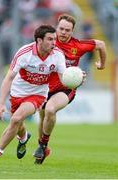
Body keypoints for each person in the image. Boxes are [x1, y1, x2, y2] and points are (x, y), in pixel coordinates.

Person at [0, 24, 66, 166]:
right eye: (50, 39)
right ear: (39, 40)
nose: (54, 42)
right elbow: (9, 77)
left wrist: (76, 78)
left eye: (55, 39)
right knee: (18, 124)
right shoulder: (24, 53)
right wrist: (1, 103)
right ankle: (23, 138)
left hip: (38, 94)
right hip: (17, 93)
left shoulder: (57, 55)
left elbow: (64, 77)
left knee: (16, 119)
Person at [33, 14, 106, 164]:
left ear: (72, 31)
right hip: (45, 87)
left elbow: (101, 45)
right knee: (42, 116)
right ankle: (43, 148)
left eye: (68, 30)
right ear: (56, 28)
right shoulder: (47, 42)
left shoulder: (77, 46)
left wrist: (102, 64)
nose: (64, 32)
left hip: (66, 89)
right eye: (61, 29)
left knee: (50, 110)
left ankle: (42, 145)